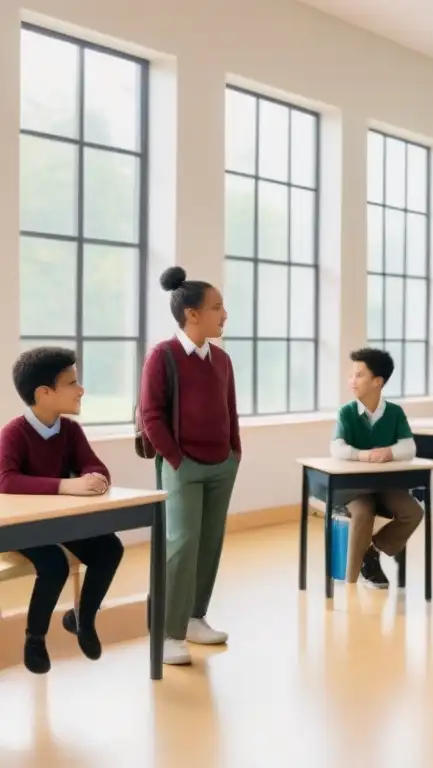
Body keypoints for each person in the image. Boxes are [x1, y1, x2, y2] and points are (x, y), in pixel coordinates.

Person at [0, 347, 124, 674]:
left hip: (59, 523)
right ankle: (35, 638)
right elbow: (7, 480)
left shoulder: (70, 431)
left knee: (109, 548)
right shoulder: (13, 433)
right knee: (53, 564)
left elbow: (94, 466)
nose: (81, 389)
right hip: (20, 527)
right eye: (72, 383)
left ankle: (82, 618)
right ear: (44, 393)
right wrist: (64, 485)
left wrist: (95, 477)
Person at [139, 266, 241, 666]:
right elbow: (150, 415)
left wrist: (235, 452)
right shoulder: (162, 356)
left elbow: (230, 410)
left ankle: (195, 617)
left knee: (209, 543)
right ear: (192, 314)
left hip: (222, 465)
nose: (224, 314)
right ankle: (167, 632)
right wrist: (176, 460)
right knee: (180, 546)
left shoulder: (222, 359)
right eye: (217, 307)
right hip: (182, 465)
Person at [327, 348, 422, 588]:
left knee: (414, 511)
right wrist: (365, 456)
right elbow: (337, 448)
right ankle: (350, 581)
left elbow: (409, 447)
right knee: (363, 512)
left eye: (359, 375)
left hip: (383, 485)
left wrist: (389, 453)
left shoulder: (394, 413)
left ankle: (371, 553)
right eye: (352, 375)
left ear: (377, 382)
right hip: (352, 488)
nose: (352, 381)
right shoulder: (347, 412)